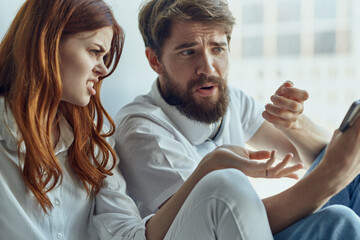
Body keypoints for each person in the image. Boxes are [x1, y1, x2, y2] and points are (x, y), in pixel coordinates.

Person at [0, 0, 307, 239]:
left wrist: (210, 166)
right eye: (95, 52)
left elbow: (129, 236)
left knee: (338, 219)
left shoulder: (94, 141)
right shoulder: (140, 127)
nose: (103, 69)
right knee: (227, 187)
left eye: (106, 56)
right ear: (47, 44)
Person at [114, 0, 360, 239]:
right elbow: (216, 222)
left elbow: (310, 158)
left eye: (217, 49)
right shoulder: (142, 130)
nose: (208, 68)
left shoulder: (230, 99)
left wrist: (296, 125)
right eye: (189, 52)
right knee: (341, 221)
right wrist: (328, 179)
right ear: (155, 60)